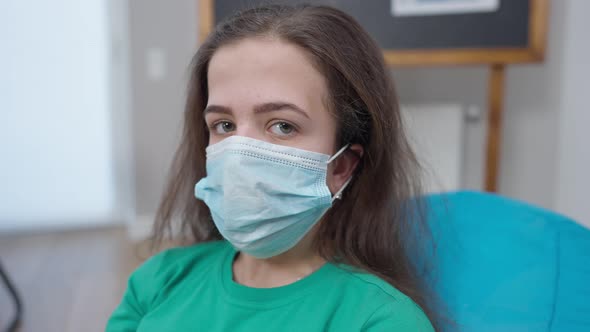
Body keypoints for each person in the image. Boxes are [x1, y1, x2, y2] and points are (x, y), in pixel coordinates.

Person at [107, 4, 437, 331]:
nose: (239, 153)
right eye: (223, 125)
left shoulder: (382, 321)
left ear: (342, 167)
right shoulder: (157, 281)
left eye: (282, 126)